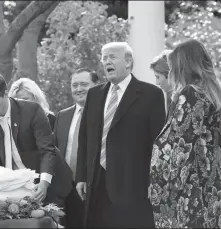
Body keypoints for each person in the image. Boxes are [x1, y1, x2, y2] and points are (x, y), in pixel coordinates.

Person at [75, 42, 166, 228]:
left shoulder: (151, 94)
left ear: (128, 62)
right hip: (96, 183)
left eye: (112, 57)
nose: (107, 61)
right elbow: (84, 138)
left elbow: (158, 143)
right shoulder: (94, 94)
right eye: (104, 58)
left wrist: (155, 181)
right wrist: (81, 176)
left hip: (132, 185)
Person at [149, 39, 221, 228]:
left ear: (183, 66)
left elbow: (181, 143)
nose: (171, 72)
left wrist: (166, 184)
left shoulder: (190, 93)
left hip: (188, 186)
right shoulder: (213, 92)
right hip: (211, 181)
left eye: (173, 67)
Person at [0, 72, 72, 208]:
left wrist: (44, 183)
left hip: (49, 182)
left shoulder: (32, 110)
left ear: (5, 93)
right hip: (13, 188)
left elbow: (47, 150)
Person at [54, 68, 99, 227]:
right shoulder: (62, 116)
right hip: (66, 188)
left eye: (84, 84)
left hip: (94, 187)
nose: (78, 89)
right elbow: (55, 150)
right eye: (75, 85)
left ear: (96, 85)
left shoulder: (104, 115)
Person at [150, 50, 173, 115]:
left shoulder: (180, 97)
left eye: (158, 77)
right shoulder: (169, 95)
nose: (157, 83)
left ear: (169, 75)